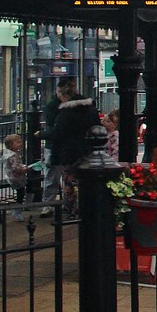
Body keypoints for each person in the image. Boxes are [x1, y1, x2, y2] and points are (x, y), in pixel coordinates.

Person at [43, 79, 98, 219]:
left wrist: (42, 134)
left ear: (62, 95)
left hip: (69, 152)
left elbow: (58, 133)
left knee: (70, 182)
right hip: (88, 150)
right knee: (84, 180)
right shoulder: (89, 108)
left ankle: (74, 209)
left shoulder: (66, 113)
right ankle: (86, 207)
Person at [3, 133, 28, 222]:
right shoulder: (13, 156)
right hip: (15, 177)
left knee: (22, 192)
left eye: (20, 142)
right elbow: (16, 167)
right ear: (11, 145)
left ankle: (20, 208)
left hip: (11, 176)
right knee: (21, 193)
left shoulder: (9, 154)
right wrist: (24, 168)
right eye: (18, 142)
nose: (20, 144)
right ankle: (18, 210)